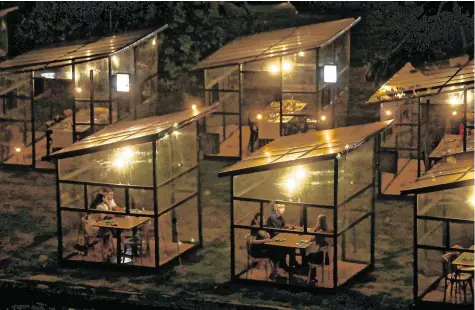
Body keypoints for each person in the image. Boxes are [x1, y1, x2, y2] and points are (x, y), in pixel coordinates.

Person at [266, 202, 301, 270]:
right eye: (282, 207)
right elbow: (276, 231)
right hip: (275, 241)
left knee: (292, 247)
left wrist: (290, 226)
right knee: (291, 246)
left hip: (281, 238)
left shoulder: (279, 216)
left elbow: (283, 224)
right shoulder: (272, 218)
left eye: (284, 207)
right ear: (276, 208)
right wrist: (286, 229)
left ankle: (292, 262)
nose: (284, 209)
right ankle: (286, 264)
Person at [82, 193, 114, 260]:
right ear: (103, 199)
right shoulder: (100, 207)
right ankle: (108, 251)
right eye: (105, 198)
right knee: (110, 232)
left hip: (88, 228)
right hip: (94, 229)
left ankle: (108, 250)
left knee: (109, 231)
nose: (106, 199)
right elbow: (109, 216)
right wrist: (108, 204)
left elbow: (85, 217)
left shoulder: (93, 206)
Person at [306, 214, 331, 284]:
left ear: (319, 222)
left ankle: (310, 276)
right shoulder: (327, 230)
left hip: (320, 256)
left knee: (306, 255)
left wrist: (316, 228)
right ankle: (312, 277)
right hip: (325, 256)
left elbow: (311, 239)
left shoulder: (319, 233)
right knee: (310, 253)